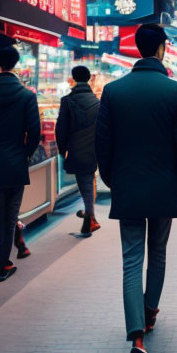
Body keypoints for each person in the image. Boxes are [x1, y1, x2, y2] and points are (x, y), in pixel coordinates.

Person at [95, 23, 177, 353]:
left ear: (136, 48)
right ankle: (150, 311)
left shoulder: (113, 91)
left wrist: (112, 179)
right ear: (162, 49)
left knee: (131, 258)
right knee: (159, 251)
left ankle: (136, 334)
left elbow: (103, 144)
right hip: (165, 185)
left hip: (128, 185)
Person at [0, 46, 41, 282]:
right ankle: (4, 262)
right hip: (15, 163)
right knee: (10, 216)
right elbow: (35, 132)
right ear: (16, 65)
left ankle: (3, 258)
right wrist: (25, 155)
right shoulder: (26, 96)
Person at [55, 65, 101, 236]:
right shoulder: (98, 102)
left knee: (85, 183)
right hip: (93, 149)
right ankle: (91, 216)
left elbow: (61, 128)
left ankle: (90, 218)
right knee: (87, 181)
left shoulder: (67, 101)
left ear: (73, 78)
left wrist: (62, 149)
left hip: (75, 148)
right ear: (89, 78)